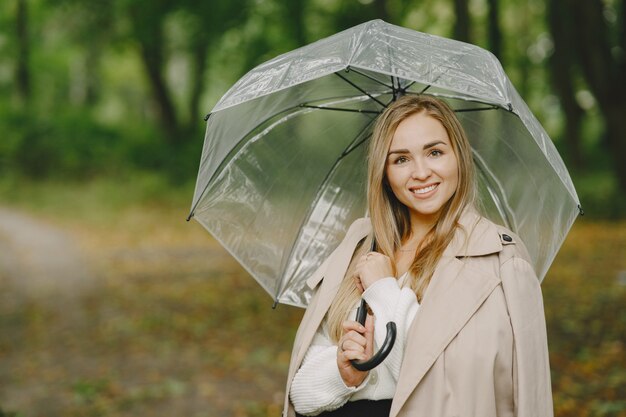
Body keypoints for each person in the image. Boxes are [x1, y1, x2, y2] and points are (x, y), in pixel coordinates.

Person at [282, 94, 553, 417]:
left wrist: (383, 292)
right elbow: (301, 393)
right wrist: (345, 372)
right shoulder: (360, 247)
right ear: (383, 173)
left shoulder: (499, 260)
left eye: (434, 152)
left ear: (459, 157)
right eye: (401, 159)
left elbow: (444, 378)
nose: (421, 172)